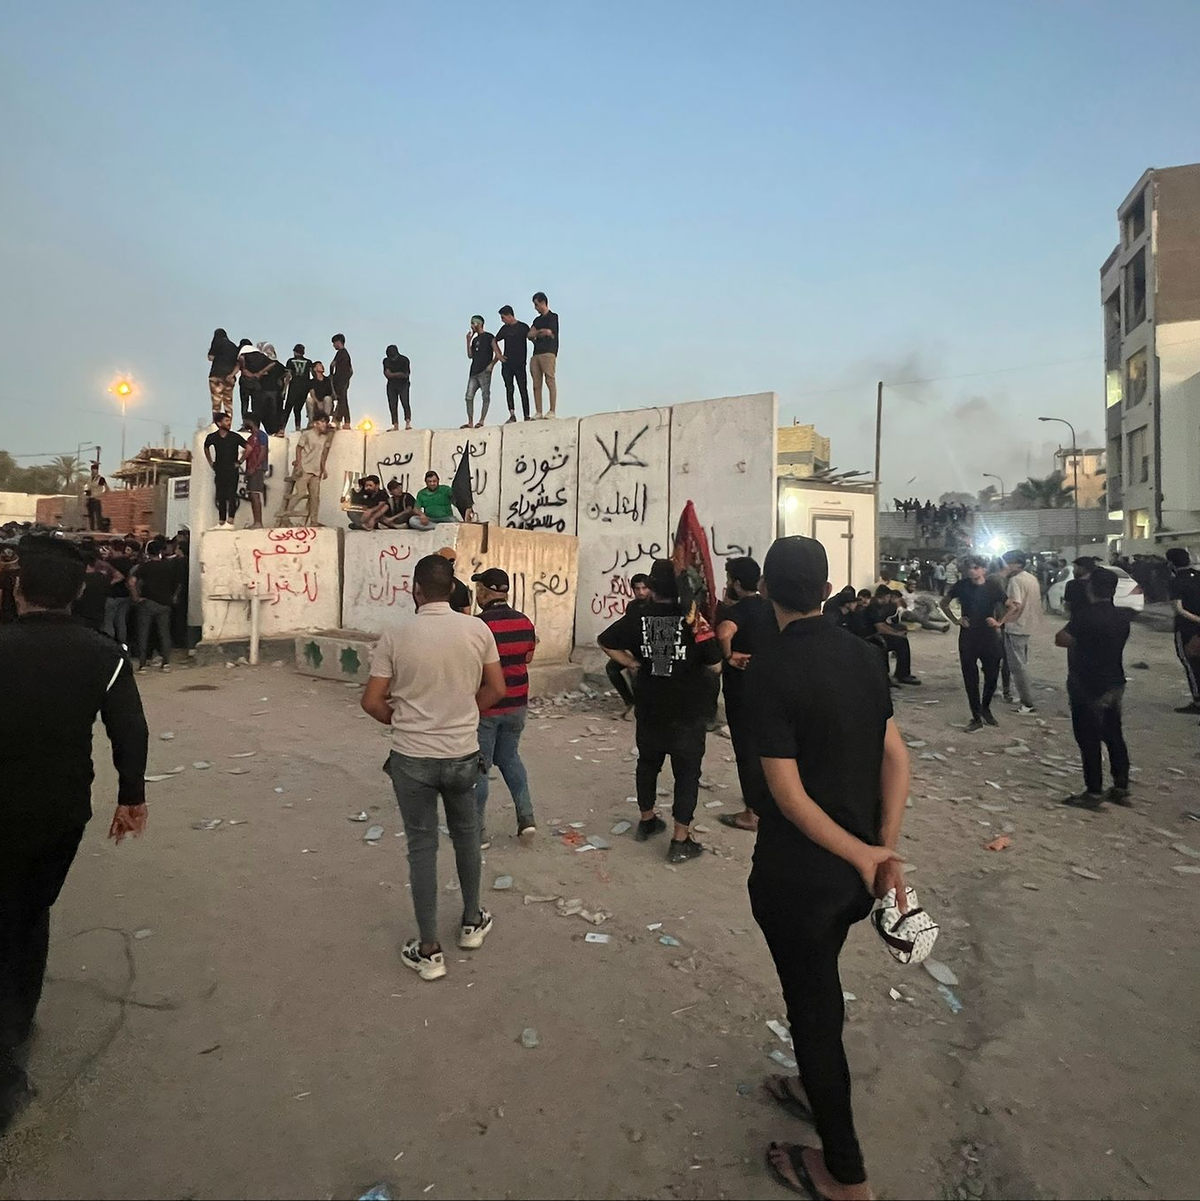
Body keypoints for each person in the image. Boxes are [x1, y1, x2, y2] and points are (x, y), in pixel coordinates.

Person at [743, 536, 910, 1201]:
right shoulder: (866, 656)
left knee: (811, 1011)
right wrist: (880, 848)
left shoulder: (769, 668)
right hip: (850, 879)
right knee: (821, 992)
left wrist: (867, 853)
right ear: (827, 586)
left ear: (765, 591)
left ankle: (844, 1174)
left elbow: (787, 796)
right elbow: (896, 757)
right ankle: (814, 1086)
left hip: (800, 879)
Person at [0, 543, 148, 1132]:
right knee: (30, 915)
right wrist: (131, 797)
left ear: (19, 592)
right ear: (77, 594)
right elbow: (128, 731)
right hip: (59, 812)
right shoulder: (102, 654)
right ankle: (13, 1030)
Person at [361, 554, 506, 982]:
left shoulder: (396, 633)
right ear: (454, 590)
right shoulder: (478, 630)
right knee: (466, 838)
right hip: (462, 753)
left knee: (422, 849)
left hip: (412, 758)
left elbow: (372, 700)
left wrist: (404, 721)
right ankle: (471, 922)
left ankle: (428, 949)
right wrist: (464, 715)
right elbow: (496, 688)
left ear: (417, 590)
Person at [598, 559, 723, 864]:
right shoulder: (694, 621)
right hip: (686, 710)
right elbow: (715, 664)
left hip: (650, 705)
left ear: (652, 587)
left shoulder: (638, 616)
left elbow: (605, 641)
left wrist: (633, 663)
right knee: (687, 773)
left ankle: (647, 820)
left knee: (648, 764)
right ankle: (680, 840)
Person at [1055, 567, 1133, 808]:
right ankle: (1121, 786)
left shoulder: (1084, 616)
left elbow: (1061, 639)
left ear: (1090, 588)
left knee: (1088, 738)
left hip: (1087, 683)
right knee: (1114, 735)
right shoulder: (1122, 616)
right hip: (1114, 680)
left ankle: (1094, 791)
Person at [472, 568, 538, 845]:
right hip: (517, 704)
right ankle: (526, 818)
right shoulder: (524, 622)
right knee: (510, 758)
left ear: (485, 592)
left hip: (488, 706)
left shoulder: (478, 626)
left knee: (480, 768)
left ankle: (477, 833)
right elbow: (529, 657)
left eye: (479, 590)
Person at [715, 556, 774, 834]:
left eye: (729, 580)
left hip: (743, 690)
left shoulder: (739, 612)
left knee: (746, 752)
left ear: (737, 583)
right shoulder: (771, 608)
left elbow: (724, 631)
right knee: (766, 748)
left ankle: (752, 813)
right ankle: (767, 799)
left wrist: (728, 656)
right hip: (769, 686)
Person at [940, 556, 1011, 732]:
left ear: (984, 569)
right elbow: (943, 603)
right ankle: (976, 716)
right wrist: (956, 620)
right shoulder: (962, 585)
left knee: (992, 673)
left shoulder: (993, 586)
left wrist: (999, 622)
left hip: (988, 635)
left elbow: (1012, 605)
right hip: (969, 635)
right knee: (970, 676)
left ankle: (985, 707)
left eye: (976, 567)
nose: (972, 570)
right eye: (969, 568)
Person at [1001, 550, 1042, 714]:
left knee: (1018, 667)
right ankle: (1025, 698)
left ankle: (1027, 703)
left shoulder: (1015, 580)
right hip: (1027, 625)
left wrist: (1001, 621)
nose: (1006, 566)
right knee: (1022, 664)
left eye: (1008, 562)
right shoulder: (1031, 578)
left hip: (1016, 626)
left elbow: (1015, 605)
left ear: (1017, 563)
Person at [129, 539, 178, 673]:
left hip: (148, 603)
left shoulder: (143, 567)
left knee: (143, 634)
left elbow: (132, 582)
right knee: (164, 633)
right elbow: (177, 583)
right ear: (161, 551)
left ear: (148, 552)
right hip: (165, 603)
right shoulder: (169, 566)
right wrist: (172, 596)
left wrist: (136, 598)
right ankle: (166, 663)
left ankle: (143, 664)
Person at [606, 573, 651, 717]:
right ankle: (630, 702)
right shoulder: (633, 606)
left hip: (651, 651)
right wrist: (628, 651)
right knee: (612, 668)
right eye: (637, 589)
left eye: (644, 588)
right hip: (635, 649)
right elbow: (628, 630)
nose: (641, 592)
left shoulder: (655, 605)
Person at [277, 414, 333, 527]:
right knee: (300, 493)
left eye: (325, 422)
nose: (324, 424)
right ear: (315, 423)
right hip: (305, 467)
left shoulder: (324, 437)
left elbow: (323, 454)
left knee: (315, 497)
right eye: (322, 422)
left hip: (316, 470)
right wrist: (298, 463)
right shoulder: (307, 434)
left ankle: (314, 521)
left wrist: (323, 468)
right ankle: (285, 516)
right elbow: (299, 448)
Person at [865, 586, 921, 686]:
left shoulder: (877, 605)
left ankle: (901, 673)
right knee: (901, 642)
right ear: (885, 596)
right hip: (871, 637)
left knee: (901, 638)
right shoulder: (873, 607)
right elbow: (880, 627)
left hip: (875, 634)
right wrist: (896, 634)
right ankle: (902, 674)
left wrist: (895, 632)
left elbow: (883, 624)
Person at [1166, 548, 1200, 713]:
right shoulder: (1198, 575)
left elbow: (1178, 608)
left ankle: (1198, 700)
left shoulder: (1176, 581)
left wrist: (1196, 619)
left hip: (1186, 628)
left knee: (1189, 661)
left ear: (1171, 563)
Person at [203, 412, 247, 530]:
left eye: (229, 421)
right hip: (220, 469)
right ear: (219, 423)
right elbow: (206, 447)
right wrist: (210, 462)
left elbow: (249, 448)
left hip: (232, 469)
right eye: (226, 421)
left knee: (231, 494)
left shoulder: (234, 436)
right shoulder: (212, 437)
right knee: (221, 495)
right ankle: (221, 520)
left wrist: (240, 461)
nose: (229, 423)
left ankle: (230, 520)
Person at [494, 306, 531, 422]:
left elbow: (531, 337)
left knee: (523, 388)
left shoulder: (523, 327)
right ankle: (512, 414)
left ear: (509, 315)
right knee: (509, 388)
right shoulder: (504, 329)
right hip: (507, 363)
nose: (502, 320)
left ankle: (526, 415)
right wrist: (499, 355)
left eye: (503, 317)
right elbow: (494, 340)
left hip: (520, 363)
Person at [463, 316, 497, 429]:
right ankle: (470, 422)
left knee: (485, 395)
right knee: (468, 396)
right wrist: (468, 341)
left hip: (484, 371)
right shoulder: (475, 340)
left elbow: (498, 352)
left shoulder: (489, 337)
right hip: (474, 371)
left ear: (479, 323)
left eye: (473, 323)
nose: (472, 326)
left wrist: (491, 365)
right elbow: (470, 355)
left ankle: (481, 420)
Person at [528, 292, 559, 419]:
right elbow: (530, 334)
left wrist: (538, 333)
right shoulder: (537, 320)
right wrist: (539, 333)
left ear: (542, 302)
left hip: (548, 352)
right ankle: (538, 411)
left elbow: (549, 332)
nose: (535, 308)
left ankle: (552, 410)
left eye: (536, 304)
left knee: (549, 380)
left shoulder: (553, 317)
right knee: (536, 383)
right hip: (536, 353)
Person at [241, 415, 269, 529]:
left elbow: (263, 451)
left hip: (258, 468)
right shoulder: (251, 438)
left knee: (254, 494)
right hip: (252, 468)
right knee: (252, 494)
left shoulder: (261, 435)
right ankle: (256, 521)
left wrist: (255, 466)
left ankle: (258, 522)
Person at [207, 328, 240, 417]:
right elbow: (238, 364)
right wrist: (232, 375)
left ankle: (216, 424)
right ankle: (227, 424)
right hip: (229, 377)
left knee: (216, 402)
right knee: (228, 403)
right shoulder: (233, 346)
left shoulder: (217, 342)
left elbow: (210, 357)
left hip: (216, 376)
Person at [283, 344, 314, 434]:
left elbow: (288, 376)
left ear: (295, 352)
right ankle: (298, 428)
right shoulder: (308, 362)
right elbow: (313, 374)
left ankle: (282, 428)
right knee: (298, 409)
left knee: (288, 408)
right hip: (305, 387)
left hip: (294, 386)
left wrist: (284, 389)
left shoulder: (290, 361)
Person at [237, 340, 269, 423]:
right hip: (257, 383)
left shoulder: (243, 354)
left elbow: (241, 366)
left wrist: (249, 373)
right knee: (256, 406)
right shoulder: (261, 355)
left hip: (246, 381)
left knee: (245, 404)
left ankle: (245, 423)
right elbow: (272, 363)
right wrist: (260, 373)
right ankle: (255, 424)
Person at [382, 344, 412, 431]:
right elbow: (387, 374)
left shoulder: (404, 360)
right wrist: (397, 374)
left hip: (403, 384)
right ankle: (395, 425)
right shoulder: (386, 361)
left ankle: (408, 422)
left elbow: (405, 374)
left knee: (405, 402)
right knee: (392, 404)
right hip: (391, 385)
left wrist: (393, 375)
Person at [330, 333, 353, 429]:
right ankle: (338, 419)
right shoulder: (346, 354)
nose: (333, 345)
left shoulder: (341, 352)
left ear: (338, 342)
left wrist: (332, 375)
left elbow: (332, 364)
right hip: (345, 379)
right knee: (341, 400)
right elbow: (351, 370)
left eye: (334, 343)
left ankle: (346, 421)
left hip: (340, 379)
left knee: (342, 399)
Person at [307, 361, 334, 425]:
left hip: (326, 403)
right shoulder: (312, 381)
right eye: (319, 365)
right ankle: (312, 422)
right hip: (316, 403)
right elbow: (312, 393)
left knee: (327, 398)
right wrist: (318, 402)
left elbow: (330, 393)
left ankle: (325, 421)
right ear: (315, 369)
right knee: (309, 400)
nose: (322, 366)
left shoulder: (327, 380)